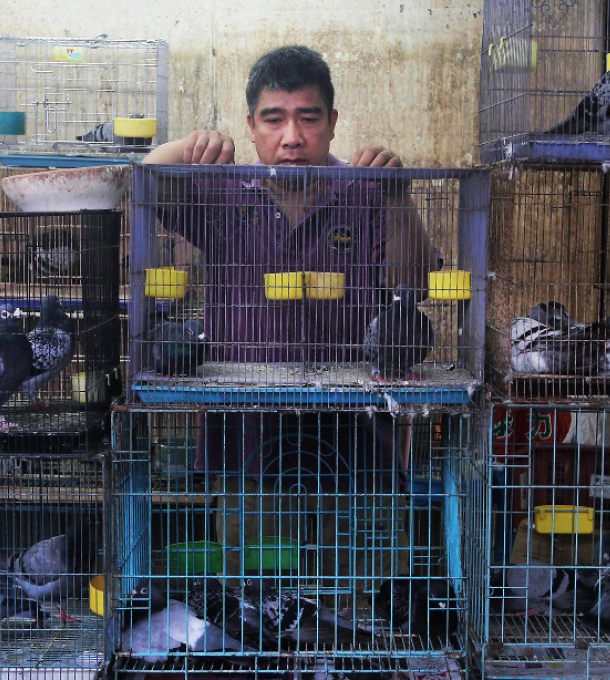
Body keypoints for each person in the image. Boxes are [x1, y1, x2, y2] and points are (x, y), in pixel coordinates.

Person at [143, 45, 439, 599]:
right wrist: (183, 148)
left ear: (332, 124)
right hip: (247, 435)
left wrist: (399, 199)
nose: (292, 137)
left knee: (358, 596)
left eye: (308, 117)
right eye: (274, 119)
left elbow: (417, 282)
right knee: (256, 593)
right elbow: (142, 183)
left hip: (355, 437)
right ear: (251, 127)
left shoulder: (366, 190)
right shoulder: (224, 192)